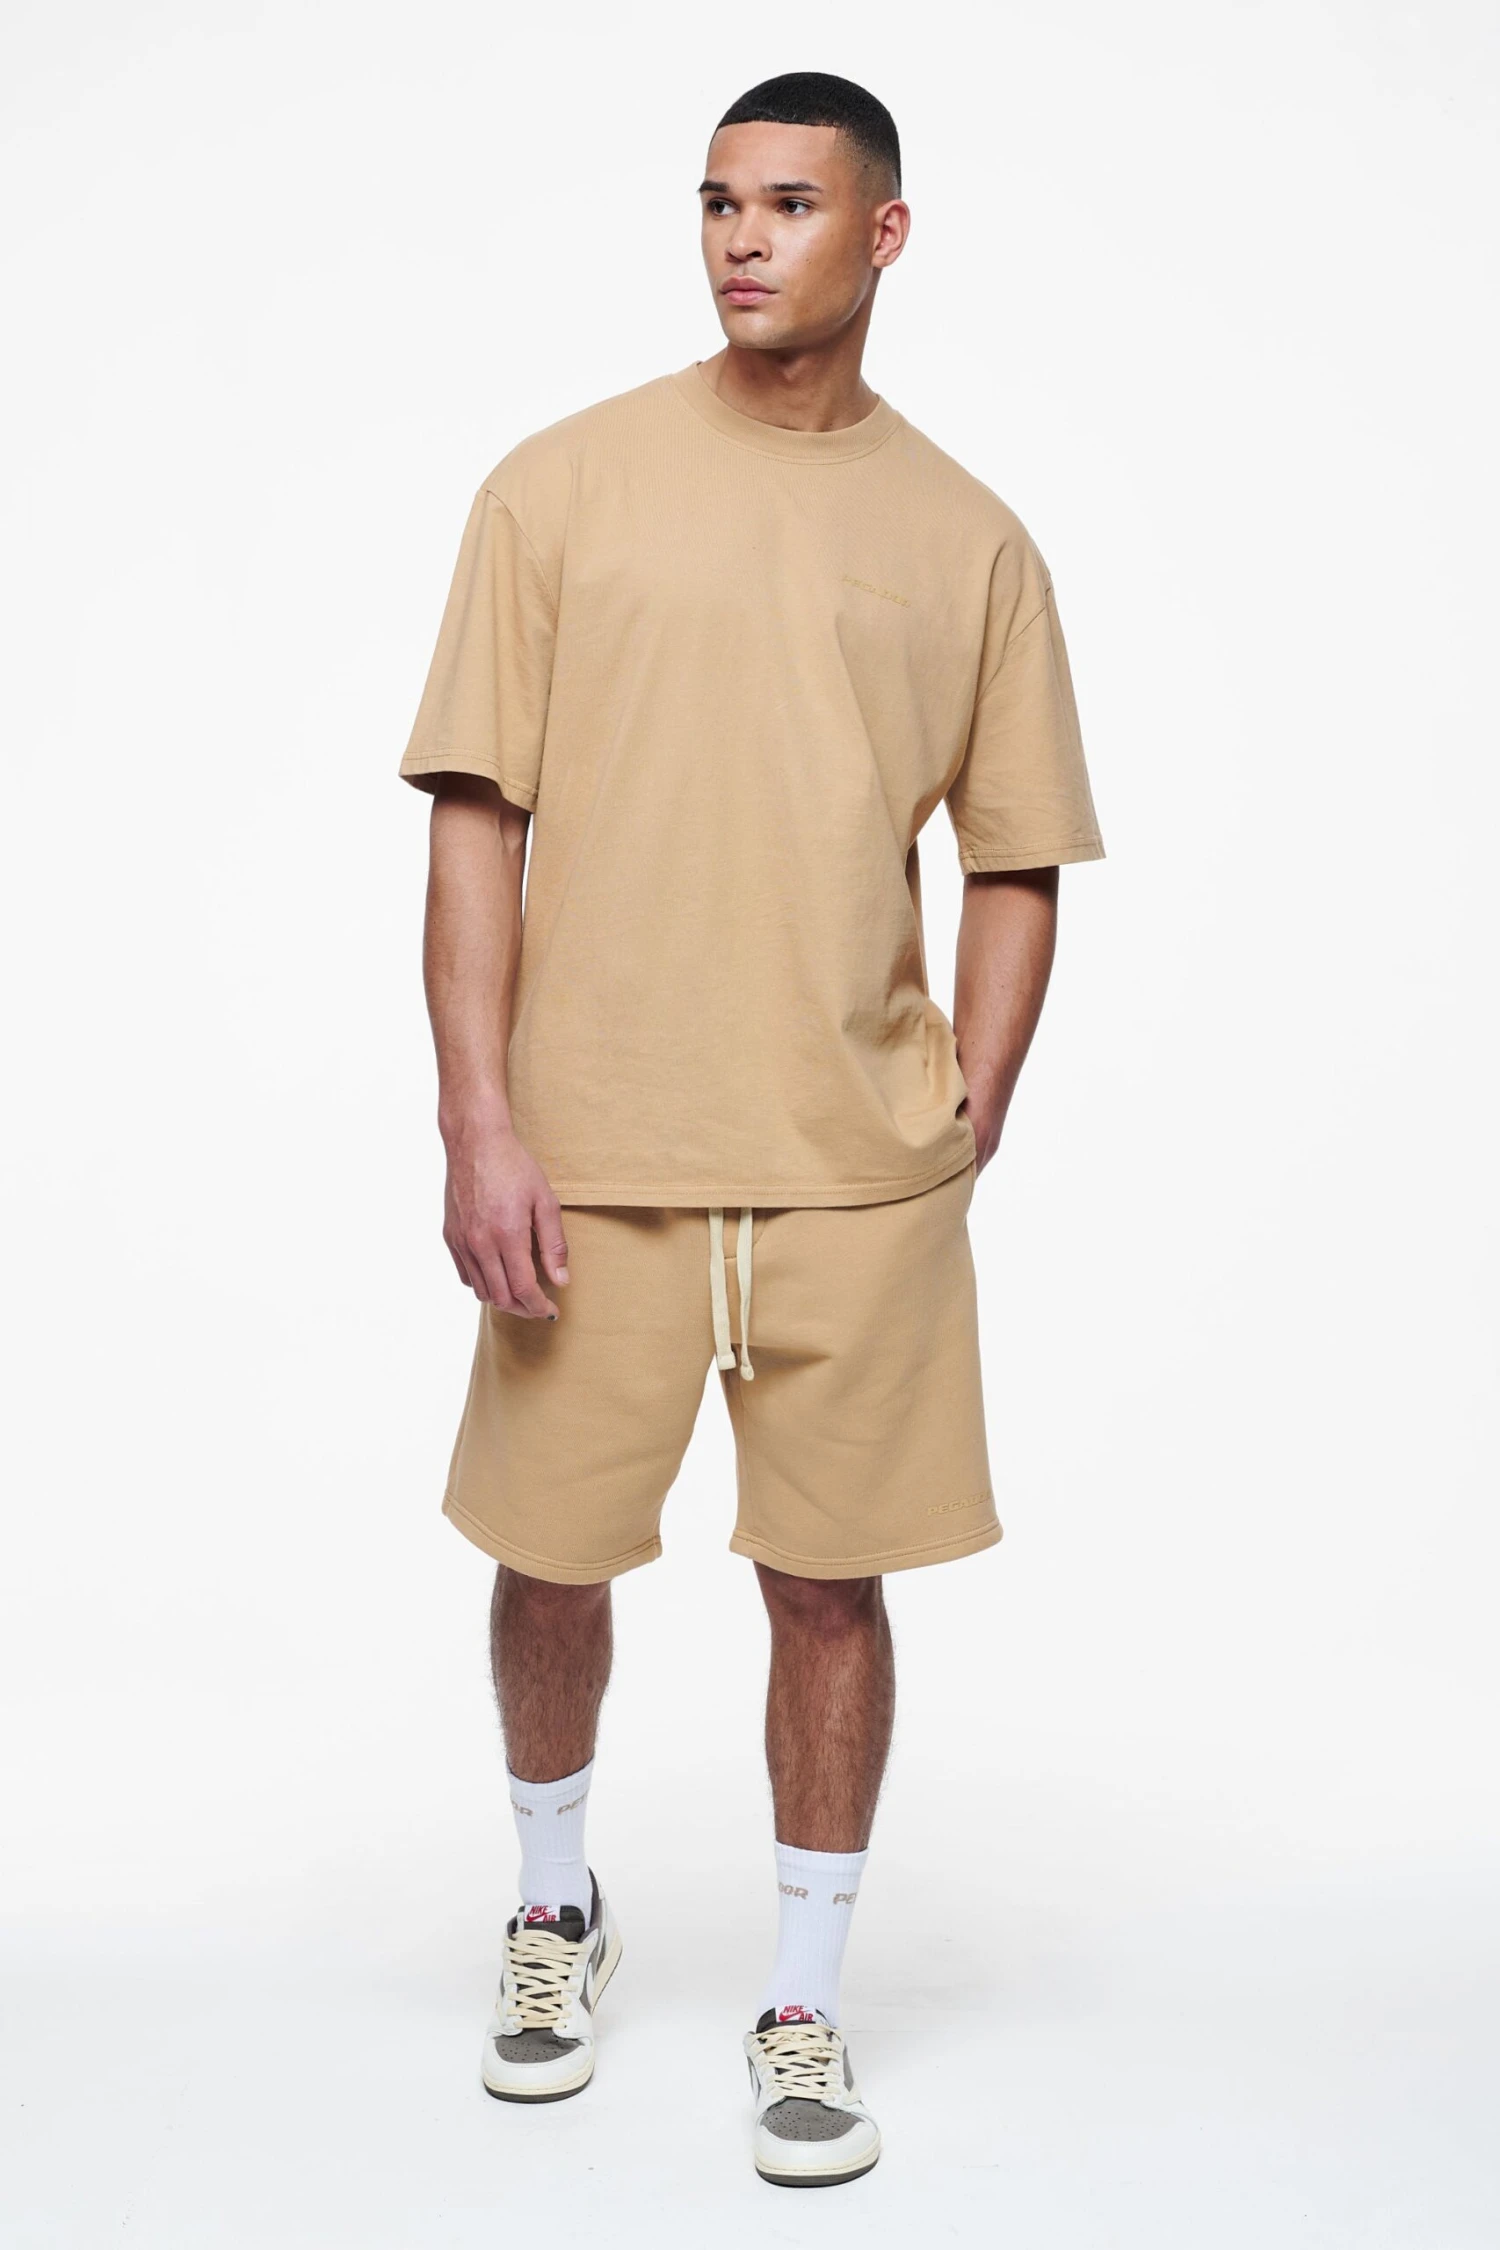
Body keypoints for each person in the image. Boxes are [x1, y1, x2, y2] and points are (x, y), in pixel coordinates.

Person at [398, 69, 1103, 2188]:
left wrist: (970, 1101)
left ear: (882, 234)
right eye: (717, 201)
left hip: (853, 1176)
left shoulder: (969, 538)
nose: (739, 239)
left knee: (829, 1588)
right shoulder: (559, 489)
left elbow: (1015, 854)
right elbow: (475, 821)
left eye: (789, 204)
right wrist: (477, 1120)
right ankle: (556, 1910)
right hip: (589, 1158)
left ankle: (804, 1997)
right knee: (549, 1565)